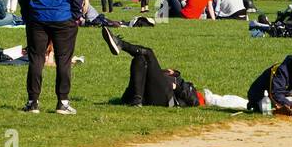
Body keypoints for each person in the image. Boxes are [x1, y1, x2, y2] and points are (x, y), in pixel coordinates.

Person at [99, 27, 247, 109]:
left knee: (148, 53)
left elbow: (193, 102)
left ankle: (121, 44)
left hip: (166, 98)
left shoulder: (197, 97)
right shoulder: (182, 81)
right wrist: (174, 74)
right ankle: (136, 101)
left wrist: (177, 87)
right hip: (151, 93)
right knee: (140, 58)